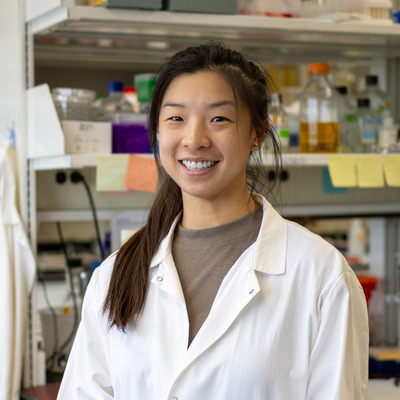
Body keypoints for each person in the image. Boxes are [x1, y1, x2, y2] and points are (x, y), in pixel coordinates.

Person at [57, 42, 369, 399]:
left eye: (219, 118)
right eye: (176, 118)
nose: (194, 139)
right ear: (157, 133)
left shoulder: (321, 275)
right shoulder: (115, 276)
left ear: (259, 133)